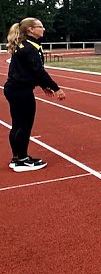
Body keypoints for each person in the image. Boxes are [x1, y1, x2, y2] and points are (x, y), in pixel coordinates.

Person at [4, 17, 66, 172]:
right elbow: (39, 71)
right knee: (23, 125)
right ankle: (22, 160)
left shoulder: (25, 45)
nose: (43, 29)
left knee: (17, 124)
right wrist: (56, 88)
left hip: (15, 89)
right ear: (31, 30)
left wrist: (44, 86)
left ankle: (17, 157)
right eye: (41, 26)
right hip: (20, 91)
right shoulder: (29, 48)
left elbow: (30, 71)